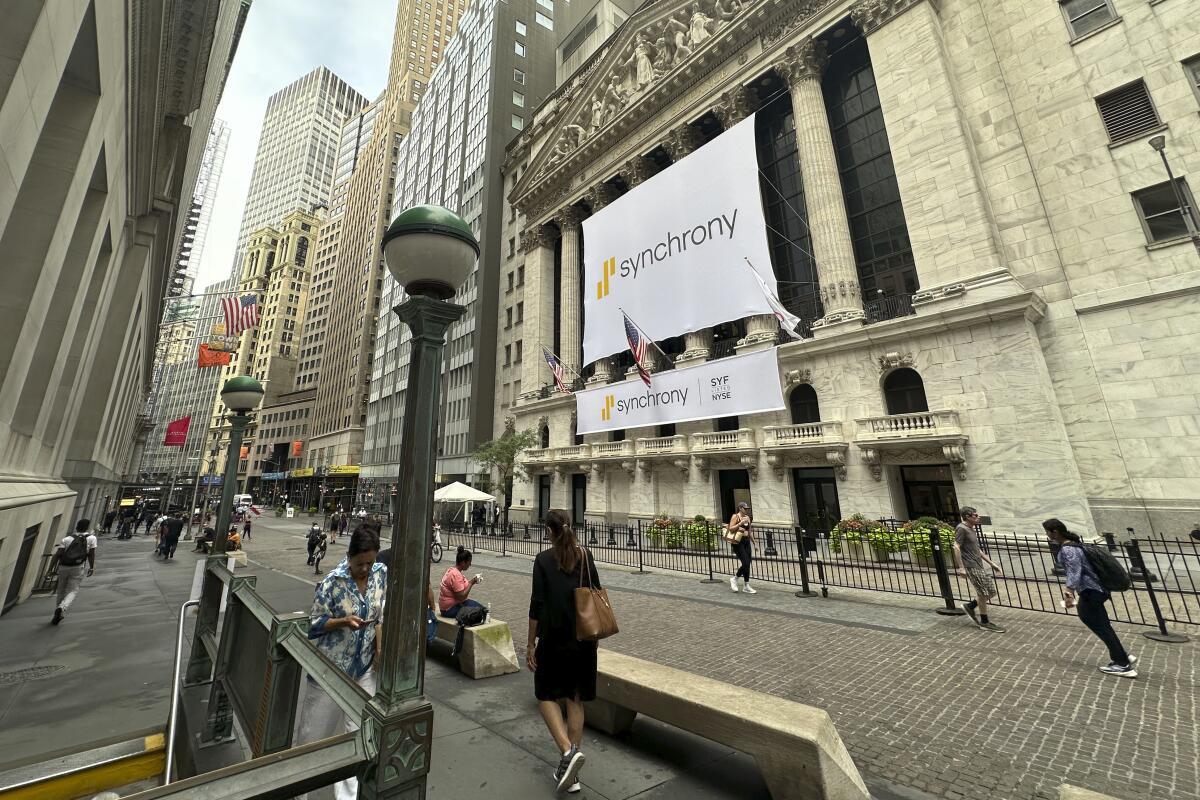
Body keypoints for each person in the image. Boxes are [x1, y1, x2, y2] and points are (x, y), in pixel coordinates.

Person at [297, 526, 386, 800]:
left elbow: (380, 613)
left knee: (358, 738)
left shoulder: (380, 574)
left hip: (363, 669)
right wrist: (343, 622)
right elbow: (313, 625)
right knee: (313, 738)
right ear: (349, 557)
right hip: (331, 672)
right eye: (360, 563)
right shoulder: (332, 583)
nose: (365, 569)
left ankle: (347, 797)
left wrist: (379, 646)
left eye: (370, 562)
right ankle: (299, 792)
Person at [528, 509, 600, 794]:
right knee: (575, 699)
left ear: (549, 531)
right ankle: (572, 773)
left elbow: (536, 604)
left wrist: (529, 642)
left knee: (544, 695)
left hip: (554, 640)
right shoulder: (586, 556)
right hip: (583, 640)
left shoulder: (543, 560)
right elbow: (596, 593)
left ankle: (568, 753)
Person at [1043, 519, 1137, 678]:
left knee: (1097, 623)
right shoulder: (1074, 544)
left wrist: (1069, 592)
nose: (1046, 534)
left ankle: (1122, 664)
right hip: (1096, 590)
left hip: (1090, 590)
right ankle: (1122, 655)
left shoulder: (1068, 549)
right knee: (1102, 625)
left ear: (1055, 532)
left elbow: (1074, 571)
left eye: (1047, 531)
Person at [954, 506, 1004, 632]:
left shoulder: (971, 529)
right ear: (967, 517)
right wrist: (961, 568)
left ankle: (970, 606)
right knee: (983, 593)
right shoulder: (961, 528)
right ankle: (984, 622)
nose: (978, 517)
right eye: (975, 515)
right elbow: (956, 547)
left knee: (991, 591)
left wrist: (991, 563)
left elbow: (977, 549)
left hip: (979, 565)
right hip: (971, 566)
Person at [376, 547, 440, 645]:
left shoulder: (382, 556)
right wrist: (433, 607)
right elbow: (427, 586)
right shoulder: (416, 558)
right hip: (406, 609)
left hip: (386, 607)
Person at [50, 519, 97, 625]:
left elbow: (57, 555)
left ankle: (57, 613)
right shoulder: (91, 538)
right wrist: (91, 567)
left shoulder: (66, 539)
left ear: (77, 527)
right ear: (87, 527)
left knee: (61, 590)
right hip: (78, 567)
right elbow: (91, 554)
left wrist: (50, 569)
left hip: (63, 566)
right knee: (72, 590)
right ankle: (62, 608)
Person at [439, 547, 485, 617]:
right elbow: (461, 597)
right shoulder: (456, 575)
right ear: (463, 562)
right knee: (482, 611)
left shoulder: (452, 570)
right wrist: (471, 583)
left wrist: (474, 580)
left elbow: (460, 586)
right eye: (469, 562)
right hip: (450, 609)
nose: (470, 564)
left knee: (482, 609)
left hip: (448, 606)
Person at [726, 501, 756, 594]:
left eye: (747, 509)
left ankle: (746, 585)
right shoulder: (735, 516)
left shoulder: (747, 518)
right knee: (746, 562)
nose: (747, 510)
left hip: (746, 542)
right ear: (740, 508)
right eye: (745, 508)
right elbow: (730, 528)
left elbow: (749, 531)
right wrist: (740, 524)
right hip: (738, 542)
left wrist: (755, 543)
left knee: (748, 563)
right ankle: (734, 579)